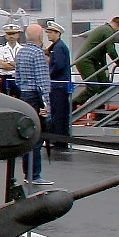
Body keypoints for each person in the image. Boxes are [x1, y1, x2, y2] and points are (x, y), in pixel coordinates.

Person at [15, 25, 51, 182]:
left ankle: (28, 173)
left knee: (28, 134)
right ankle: (34, 175)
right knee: (38, 136)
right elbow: (42, 82)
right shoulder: (37, 54)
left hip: (24, 95)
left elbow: (16, 78)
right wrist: (46, 105)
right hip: (36, 97)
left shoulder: (21, 52)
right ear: (40, 36)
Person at [73, 16, 119, 104]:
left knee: (105, 84)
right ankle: (74, 103)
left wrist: (105, 68)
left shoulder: (103, 29)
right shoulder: (108, 31)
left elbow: (102, 52)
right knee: (93, 87)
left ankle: (100, 106)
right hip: (86, 60)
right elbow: (111, 51)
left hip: (91, 60)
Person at [44, 22, 72, 155]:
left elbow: (58, 65)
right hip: (58, 84)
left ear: (57, 33)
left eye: (50, 32)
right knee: (58, 112)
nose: (48, 34)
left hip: (58, 85)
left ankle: (60, 139)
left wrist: (47, 74)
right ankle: (59, 138)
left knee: (59, 113)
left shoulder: (59, 48)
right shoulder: (56, 47)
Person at [0, 24, 23, 95]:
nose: (11, 36)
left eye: (13, 33)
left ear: (18, 35)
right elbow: (1, 65)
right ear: (5, 35)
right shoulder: (0, 49)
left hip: (19, 78)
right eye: (9, 34)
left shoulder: (22, 49)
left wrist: (8, 63)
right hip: (6, 78)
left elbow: (24, 66)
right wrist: (16, 64)